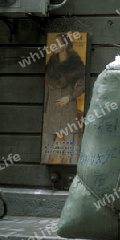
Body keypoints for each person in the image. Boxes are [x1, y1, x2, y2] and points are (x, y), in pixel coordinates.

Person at [42, 33, 85, 164]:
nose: (54, 46)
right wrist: (44, 111)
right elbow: (46, 90)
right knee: (45, 147)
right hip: (52, 110)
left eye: (58, 43)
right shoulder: (50, 64)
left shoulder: (76, 65)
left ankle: (72, 171)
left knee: (71, 148)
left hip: (68, 109)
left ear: (65, 45)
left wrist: (69, 97)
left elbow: (82, 86)